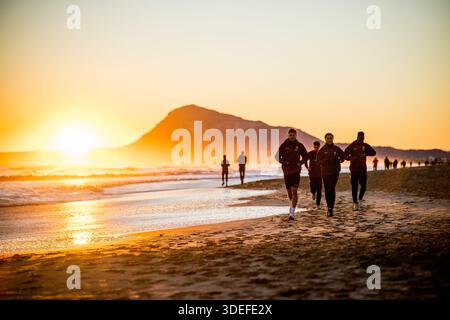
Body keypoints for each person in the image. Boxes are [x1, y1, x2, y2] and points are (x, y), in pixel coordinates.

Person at [277, 128, 308, 220]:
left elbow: (306, 156)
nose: (292, 137)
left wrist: (300, 163)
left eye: (293, 135)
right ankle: (292, 206)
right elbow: (277, 156)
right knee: (290, 193)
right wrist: (284, 162)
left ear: (296, 135)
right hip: (286, 171)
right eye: (290, 135)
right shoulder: (284, 145)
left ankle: (292, 212)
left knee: (294, 191)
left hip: (296, 171)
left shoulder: (299, 145)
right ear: (288, 135)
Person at [344, 131, 377, 211]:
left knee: (364, 187)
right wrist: (350, 158)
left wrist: (366, 154)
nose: (362, 139)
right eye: (360, 137)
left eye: (363, 137)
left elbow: (374, 152)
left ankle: (360, 199)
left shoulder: (365, 145)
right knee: (354, 187)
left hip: (363, 169)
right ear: (357, 137)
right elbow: (345, 155)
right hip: (354, 170)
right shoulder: (352, 145)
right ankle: (355, 203)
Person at [317, 133, 346, 217]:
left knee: (332, 188)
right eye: (328, 138)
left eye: (331, 138)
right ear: (325, 139)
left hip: (335, 172)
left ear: (333, 139)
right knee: (327, 189)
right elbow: (318, 161)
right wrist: (324, 161)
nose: (329, 139)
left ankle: (331, 208)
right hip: (325, 172)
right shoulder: (322, 150)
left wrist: (340, 160)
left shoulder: (336, 149)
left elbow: (343, 156)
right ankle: (329, 207)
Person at [305, 141, 322, 209]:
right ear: (313, 146)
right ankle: (313, 193)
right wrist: (307, 167)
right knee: (312, 185)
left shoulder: (321, 153)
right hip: (312, 173)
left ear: (319, 147)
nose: (316, 148)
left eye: (317, 147)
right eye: (315, 147)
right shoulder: (310, 153)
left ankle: (318, 204)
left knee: (319, 189)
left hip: (320, 173)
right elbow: (305, 160)